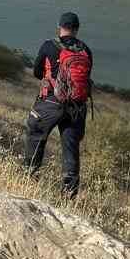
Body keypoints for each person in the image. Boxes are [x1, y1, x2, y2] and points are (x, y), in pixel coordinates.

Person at [24, 11, 94, 197]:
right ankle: (69, 194)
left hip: (50, 102)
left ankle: (28, 181)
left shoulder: (49, 45)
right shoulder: (86, 50)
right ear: (77, 29)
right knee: (71, 148)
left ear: (59, 26)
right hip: (77, 107)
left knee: (35, 136)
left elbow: (37, 72)